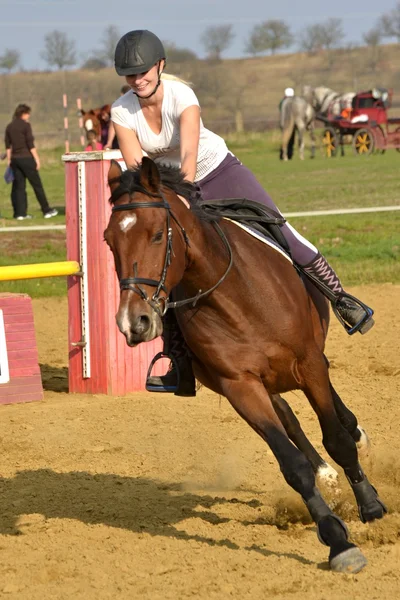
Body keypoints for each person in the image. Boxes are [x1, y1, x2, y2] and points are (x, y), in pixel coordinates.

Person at [111, 30, 374, 396]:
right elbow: (140, 170)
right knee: (165, 266)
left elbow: (188, 157)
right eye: (129, 74)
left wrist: (184, 197)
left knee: (277, 226)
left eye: (143, 71)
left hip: (216, 171)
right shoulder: (121, 110)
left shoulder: (182, 96)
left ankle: (340, 298)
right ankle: (178, 361)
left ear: (160, 65)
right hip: (168, 190)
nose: (137, 79)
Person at [4, 104, 58, 220]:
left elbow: (8, 146)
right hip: (26, 158)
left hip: (15, 160)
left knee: (19, 187)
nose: (29, 116)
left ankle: (20, 213)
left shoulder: (9, 126)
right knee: (37, 185)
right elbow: (30, 144)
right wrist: (37, 159)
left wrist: (9, 160)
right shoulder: (26, 126)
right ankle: (46, 210)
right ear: (24, 113)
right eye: (28, 114)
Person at [279, 87, 295, 160]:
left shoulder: (283, 101)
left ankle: (283, 154)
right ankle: (290, 153)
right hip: (293, 123)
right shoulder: (295, 102)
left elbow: (280, 109)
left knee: (284, 138)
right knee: (291, 139)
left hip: (284, 123)